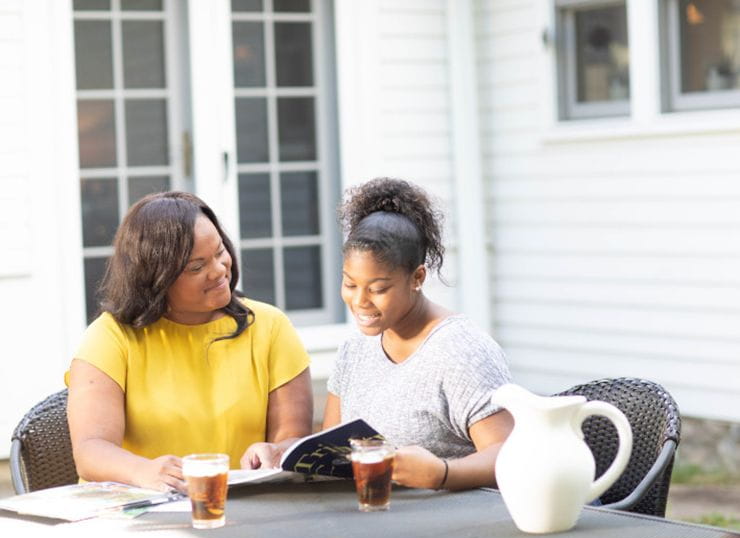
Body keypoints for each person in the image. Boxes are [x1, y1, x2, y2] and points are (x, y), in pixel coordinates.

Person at [246, 178, 513, 490]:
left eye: (378, 288)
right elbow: (329, 453)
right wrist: (278, 453)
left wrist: (442, 473)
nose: (360, 301)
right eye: (350, 284)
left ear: (417, 277)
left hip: (448, 524)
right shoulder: (355, 349)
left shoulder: (461, 351)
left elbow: (507, 451)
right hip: (369, 516)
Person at [66, 191, 313, 493]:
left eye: (220, 252)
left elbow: (293, 440)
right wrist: (143, 470)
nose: (220, 270)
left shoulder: (271, 327)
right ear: (156, 278)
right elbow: (91, 450)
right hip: (141, 515)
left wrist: (276, 452)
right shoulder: (110, 338)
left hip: (242, 508)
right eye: (197, 267)